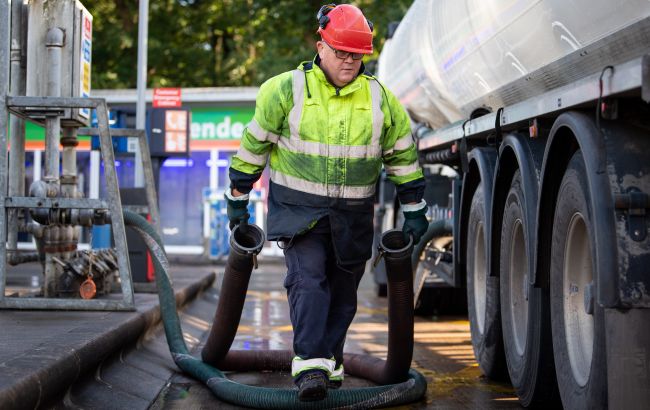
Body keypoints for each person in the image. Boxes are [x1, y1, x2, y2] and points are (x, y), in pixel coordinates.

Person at [225, 3, 427, 402]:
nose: (349, 62)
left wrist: (415, 208)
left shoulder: (381, 100)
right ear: (321, 46)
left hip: (351, 217)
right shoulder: (286, 90)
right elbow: (253, 148)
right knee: (308, 281)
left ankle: (329, 363)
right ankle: (310, 365)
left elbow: (402, 157)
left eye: (357, 54)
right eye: (341, 53)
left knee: (344, 293)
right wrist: (238, 197)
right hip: (299, 215)